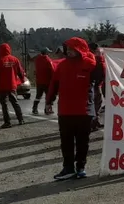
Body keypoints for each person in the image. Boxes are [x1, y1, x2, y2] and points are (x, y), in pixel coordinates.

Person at [44, 37, 98, 180]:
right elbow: (54, 84)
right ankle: (68, 168)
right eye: (67, 49)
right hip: (65, 111)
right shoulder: (61, 66)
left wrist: (97, 58)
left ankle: (80, 167)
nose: (68, 51)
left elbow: (102, 77)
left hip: (84, 111)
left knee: (83, 142)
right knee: (66, 142)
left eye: (72, 49)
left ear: (80, 49)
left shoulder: (90, 64)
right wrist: (49, 101)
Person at [0, 43, 27, 128]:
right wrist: (22, 80)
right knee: (15, 103)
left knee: (4, 105)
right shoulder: (15, 59)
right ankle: (21, 119)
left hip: (2, 87)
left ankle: (7, 122)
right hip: (12, 86)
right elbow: (20, 71)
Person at [32, 48, 55, 115]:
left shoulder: (37, 60)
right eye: (48, 52)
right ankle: (47, 110)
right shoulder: (48, 60)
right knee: (48, 96)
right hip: (47, 81)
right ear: (46, 53)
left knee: (38, 96)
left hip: (39, 81)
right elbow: (52, 70)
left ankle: (34, 109)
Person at [88, 41, 105, 129]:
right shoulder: (97, 60)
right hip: (95, 84)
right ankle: (93, 121)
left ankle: (94, 120)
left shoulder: (88, 59)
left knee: (95, 103)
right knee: (95, 103)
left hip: (95, 84)